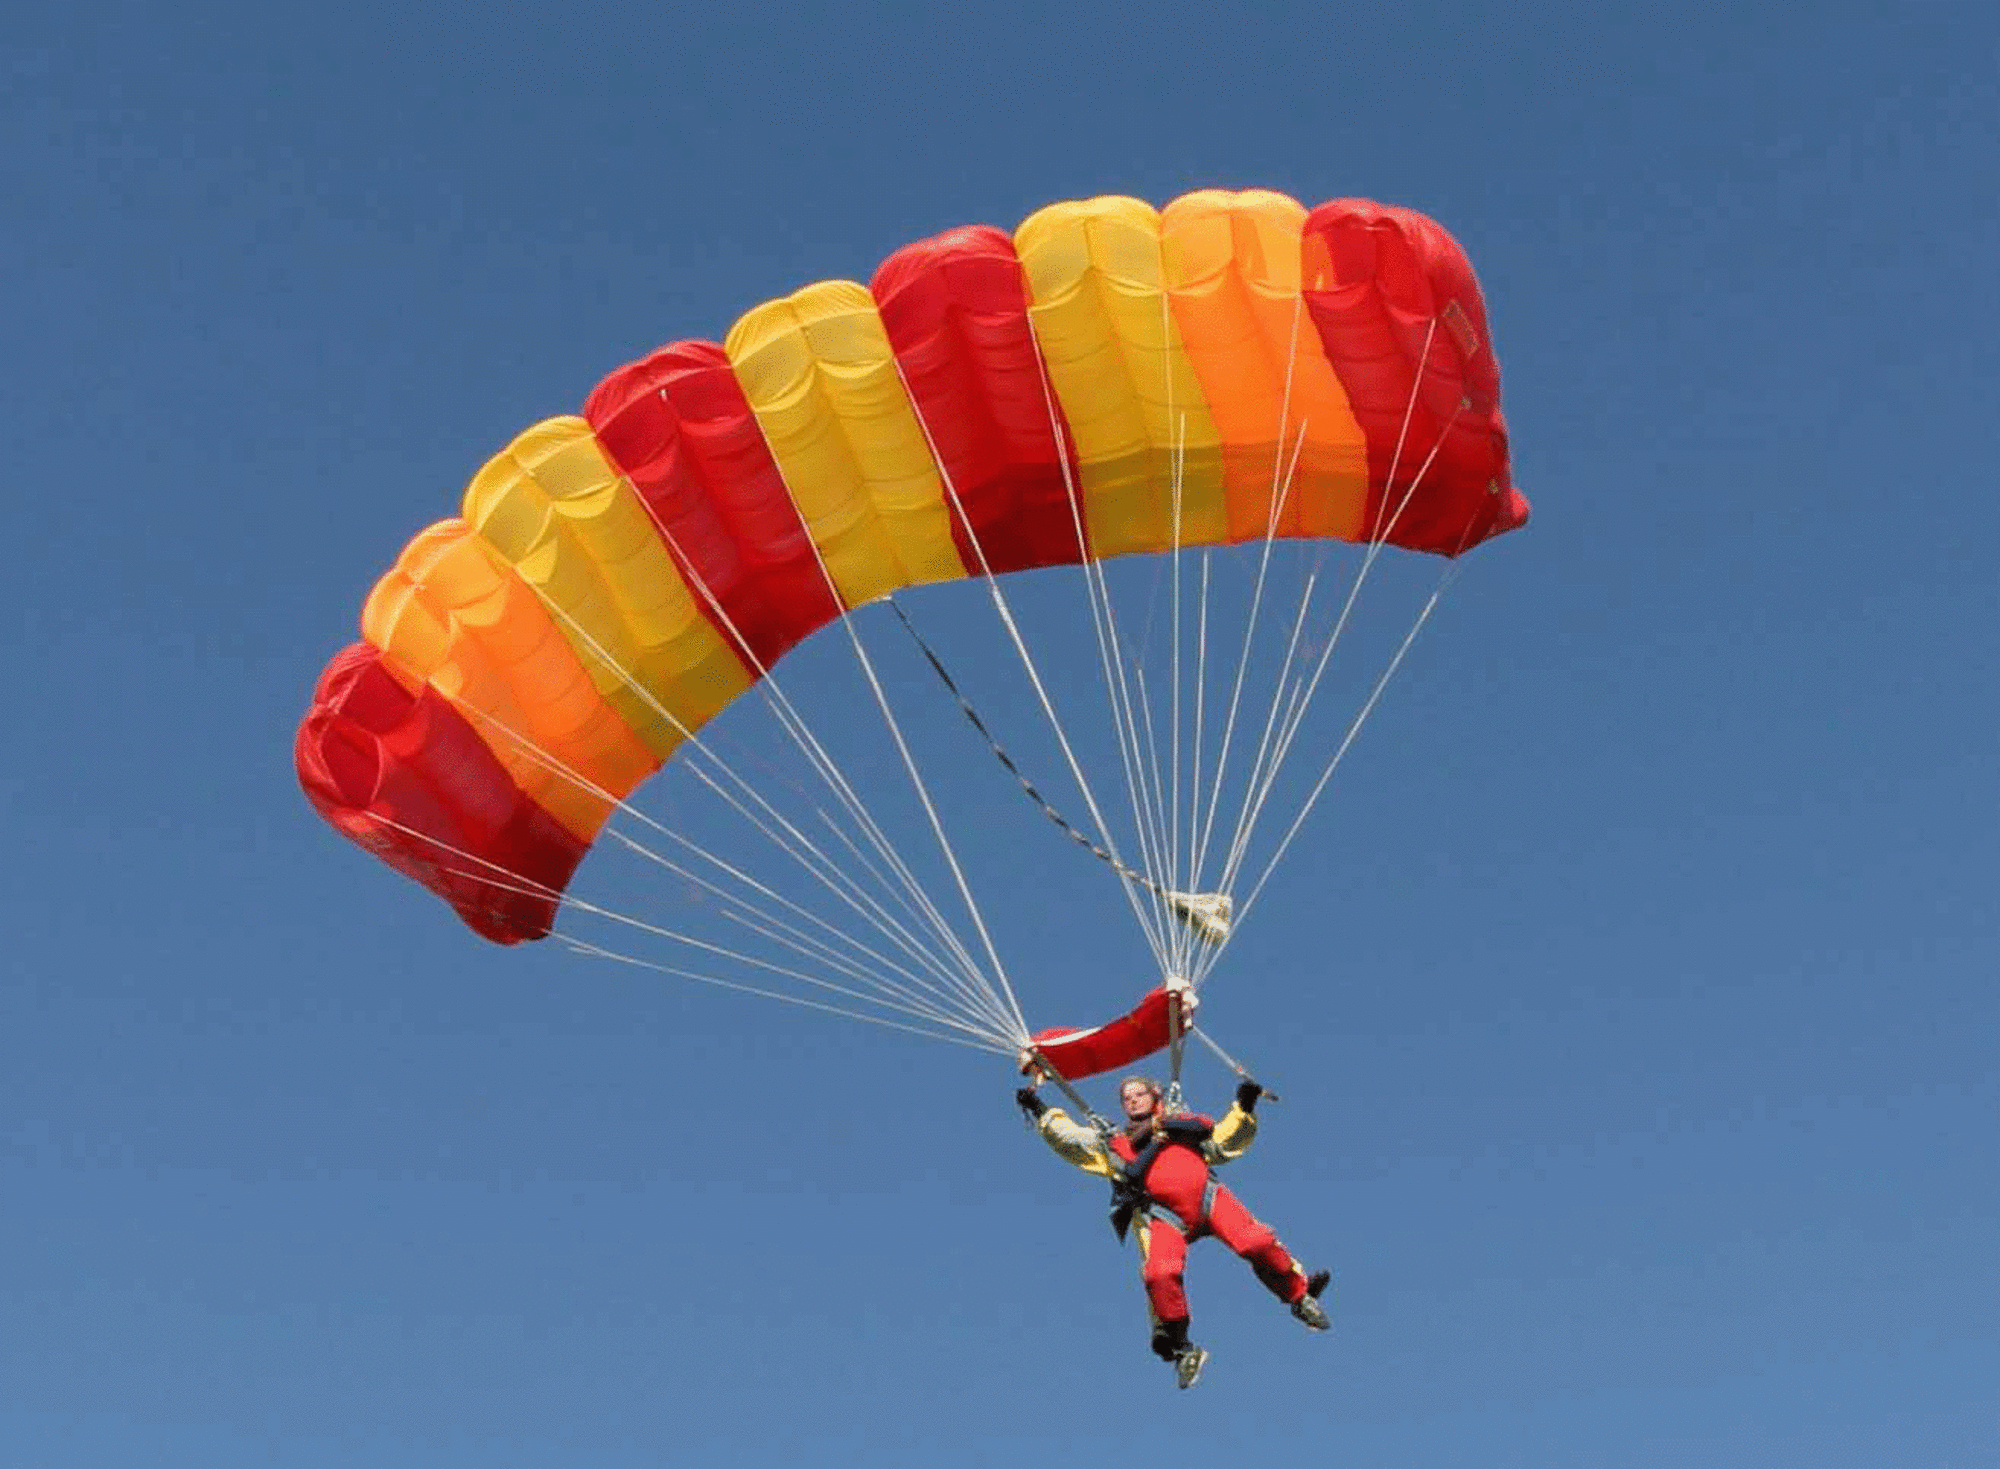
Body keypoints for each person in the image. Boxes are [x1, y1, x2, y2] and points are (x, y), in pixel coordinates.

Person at [1016, 1072, 1330, 1388]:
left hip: (1209, 1199)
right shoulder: (1116, 1143)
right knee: (1159, 1273)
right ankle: (1181, 1347)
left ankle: (1299, 1295)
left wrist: (1244, 1107)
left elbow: (1224, 1139)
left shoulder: (1181, 1126)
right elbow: (1071, 1140)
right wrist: (1042, 1110)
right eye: (1126, 1098)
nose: (1132, 1100)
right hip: (1165, 1217)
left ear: (1156, 1095)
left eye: (1139, 1094)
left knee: (1255, 1241)